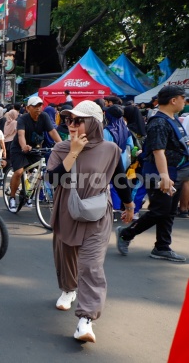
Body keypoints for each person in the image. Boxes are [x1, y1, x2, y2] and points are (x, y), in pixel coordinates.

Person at [46, 100, 134, 343]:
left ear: (93, 123)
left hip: (97, 215)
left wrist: (128, 204)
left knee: (91, 265)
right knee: (66, 256)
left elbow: (119, 176)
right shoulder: (61, 148)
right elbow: (52, 180)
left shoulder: (110, 149)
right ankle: (68, 288)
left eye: (77, 120)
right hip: (67, 211)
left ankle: (86, 320)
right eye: (68, 120)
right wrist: (73, 152)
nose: (71, 125)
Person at [116, 85, 188, 262]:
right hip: (159, 173)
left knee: (169, 210)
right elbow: (158, 151)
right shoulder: (159, 122)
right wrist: (164, 176)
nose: (184, 101)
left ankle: (162, 247)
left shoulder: (173, 119)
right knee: (160, 210)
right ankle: (126, 233)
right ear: (173, 100)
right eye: (183, 98)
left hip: (174, 172)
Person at [8, 96, 62, 211]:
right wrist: (24, 146)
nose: (38, 108)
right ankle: (12, 197)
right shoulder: (23, 119)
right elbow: (21, 135)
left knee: (40, 170)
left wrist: (61, 145)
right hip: (19, 148)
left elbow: (52, 131)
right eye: (35, 106)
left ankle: (29, 193)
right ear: (28, 108)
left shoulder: (44, 116)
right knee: (19, 172)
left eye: (40, 106)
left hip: (35, 148)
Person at [103, 105, 134, 214]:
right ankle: (121, 207)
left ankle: (114, 208)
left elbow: (104, 147)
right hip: (124, 160)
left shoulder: (106, 131)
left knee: (111, 185)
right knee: (120, 183)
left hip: (110, 161)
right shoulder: (126, 129)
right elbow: (130, 144)